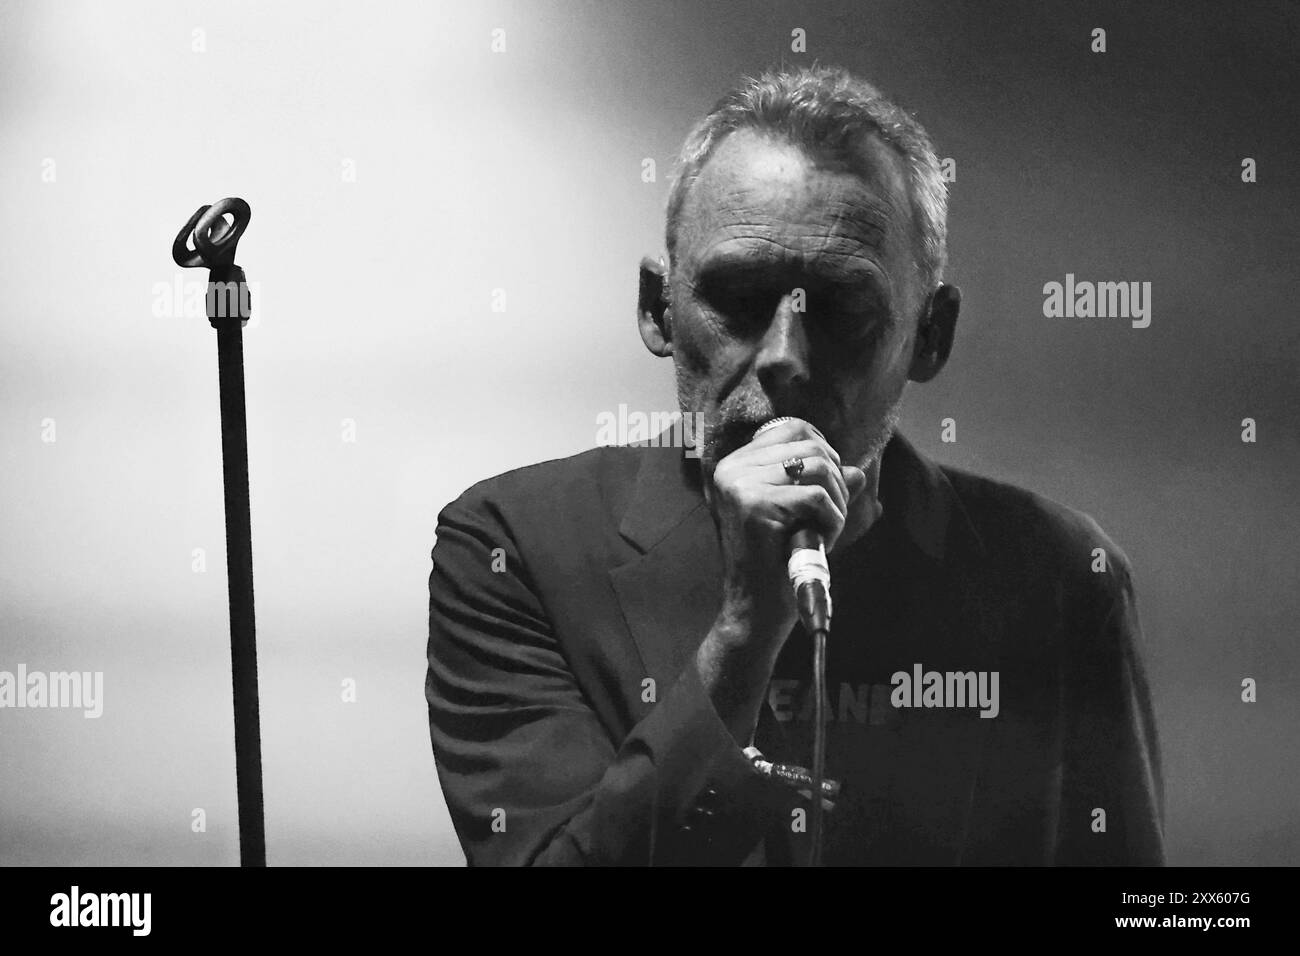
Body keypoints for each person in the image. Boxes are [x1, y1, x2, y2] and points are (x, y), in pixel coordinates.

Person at [425, 65, 1165, 866]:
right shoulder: (516, 548)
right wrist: (744, 638)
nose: (784, 358)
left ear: (930, 336)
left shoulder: (1059, 575)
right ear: (657, 308)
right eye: (739, 299)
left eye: (842, 308)